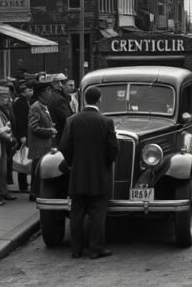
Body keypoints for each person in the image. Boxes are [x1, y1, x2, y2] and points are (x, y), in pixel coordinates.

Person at [59, 86, 119, 259]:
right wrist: (105, 164)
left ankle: (76, 249)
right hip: (99, 174)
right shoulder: (106, 122)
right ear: (99, 100)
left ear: (85, 99)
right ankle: (96, 248)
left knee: (76, 213)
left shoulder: (72, 120)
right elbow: (113, 148)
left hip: (77, 175)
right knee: (98, 213)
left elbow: (64, 146)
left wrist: (73, 163)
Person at [27, 83, 57, 200]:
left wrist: (50, 125)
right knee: (38, 169)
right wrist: (50, 130)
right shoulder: (36, 107)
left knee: (41, 169)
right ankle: (34, 194)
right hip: (39, 145)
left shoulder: (43, 106)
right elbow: (33, 127)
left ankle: (38, 192)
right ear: (41, 93)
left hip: (45, 144)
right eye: (48, 91)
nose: (50, 93)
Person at [12, 82, 32, 194]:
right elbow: (20, 120)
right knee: (22, 159)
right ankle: (22, 185)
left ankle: (24, 183)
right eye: (29, 91)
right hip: (22, 135)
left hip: (24, 133)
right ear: (23, 92)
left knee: (24, 158)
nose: (31, 92)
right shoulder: (20, 103)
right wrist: (22, 135)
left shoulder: (24, 101)